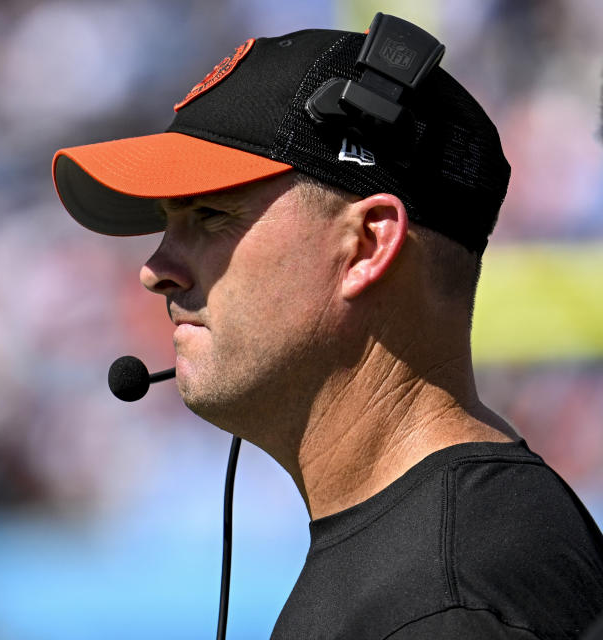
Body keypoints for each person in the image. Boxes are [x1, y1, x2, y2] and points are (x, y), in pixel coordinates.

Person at [52, 15, 603, 639]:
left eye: (208, 215)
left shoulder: (449, 605)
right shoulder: (442, 560)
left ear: (368, 245)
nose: (155, 271)